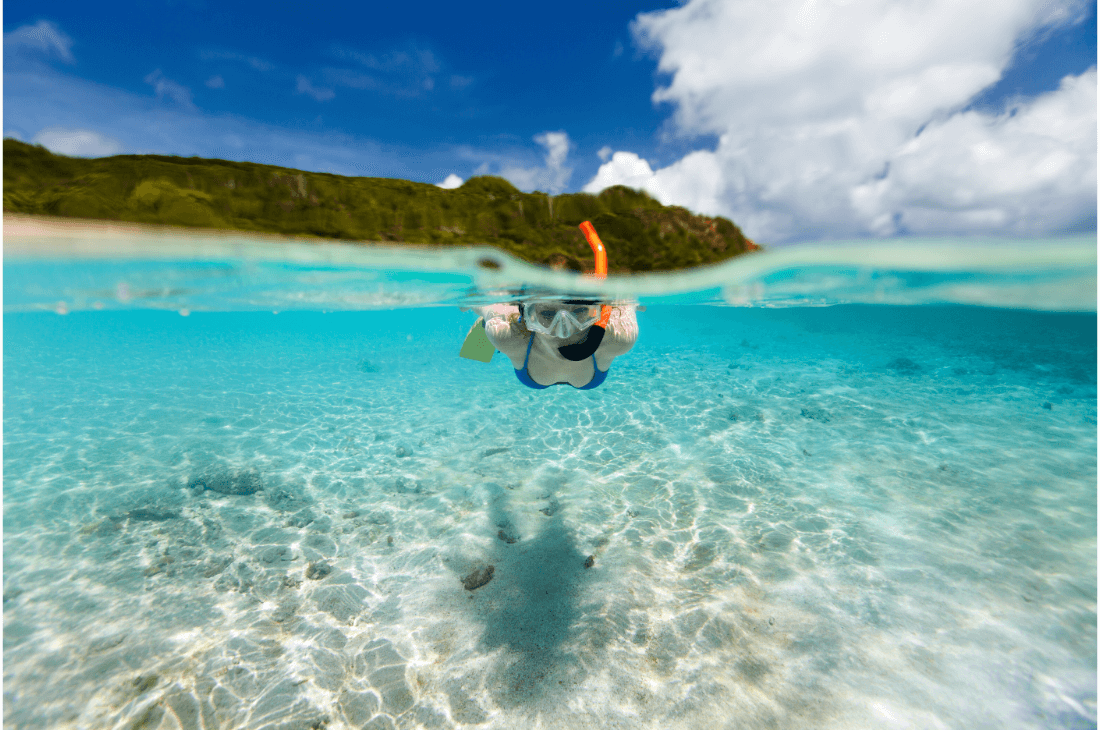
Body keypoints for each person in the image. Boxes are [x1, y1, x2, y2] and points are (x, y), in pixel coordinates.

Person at [472, 299, 639, 389]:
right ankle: (484, 323)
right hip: (518, 333)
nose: (563, 330)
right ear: (527, 314)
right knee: (497, 323)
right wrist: (490, 316)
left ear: (598, 312)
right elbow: (476, 303)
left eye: (580, 310)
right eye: (547, 313)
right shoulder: (507, 334)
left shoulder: (619, 338)